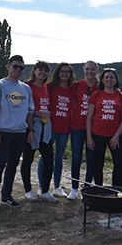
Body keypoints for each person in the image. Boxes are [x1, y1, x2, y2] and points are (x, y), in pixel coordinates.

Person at [0, 55, 34, 211]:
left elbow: (29, 111)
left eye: (21, 67)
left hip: (20, 132)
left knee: (12, 165)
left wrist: (31, 129)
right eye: (15, 66)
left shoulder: (26, 88)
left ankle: (6, 196)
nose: (18, 70)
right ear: (8, 66)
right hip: (3, 131)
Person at [20, 61, 57, 203]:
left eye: (45, 71)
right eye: (40, 70)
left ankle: (45, 190)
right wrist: (36, 114)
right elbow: (23, 107)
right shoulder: (27, 86)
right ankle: (28, 190)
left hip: (46, 127)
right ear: (34, 71)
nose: (42, 73)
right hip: (31, 126)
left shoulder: (47, 87)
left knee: (48, 159)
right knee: (28, 159)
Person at [86, 68, 122, 187]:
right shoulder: (96, 95)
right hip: (97, 134)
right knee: (97, 164)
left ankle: (115, 189)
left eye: (112, 77)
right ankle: (99, 188)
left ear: (116, 80)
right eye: (107, 77)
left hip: (114, 136)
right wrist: (89, 137)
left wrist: (116, 137)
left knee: (119, 164)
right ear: (102, 80)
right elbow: (89, 117)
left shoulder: (121, 97)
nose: (109, 79)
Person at [42, 62, 75, 198]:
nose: (65, 74)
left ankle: (57, 186)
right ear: (57, 73)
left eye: (67, 72)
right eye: (62, 71)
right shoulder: (50, 87)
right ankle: (42, 187)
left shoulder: (72, 88)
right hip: (50, 126)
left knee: (59, 157)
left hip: (65, 127)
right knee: (45, 158)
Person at [68, 61, 98, 199]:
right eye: (87, 69)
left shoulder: (101, 85)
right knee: (76, 157)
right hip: (77, 125)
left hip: (95, 127)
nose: (90, 72)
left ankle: (86, 187)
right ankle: (74, 188)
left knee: (91, 158)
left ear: (96, 70)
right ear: (83, 70)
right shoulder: (77, 85)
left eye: (93, 69)